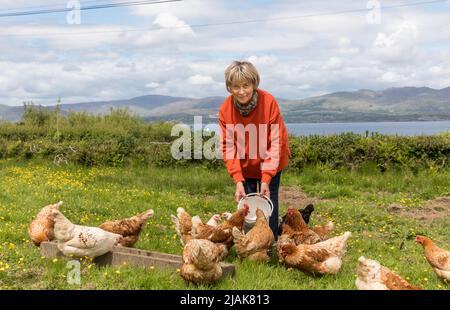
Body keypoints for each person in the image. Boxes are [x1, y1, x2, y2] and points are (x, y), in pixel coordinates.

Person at [218, 60, 291, 240]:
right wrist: (237, 180)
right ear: (229, 87)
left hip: (272, 161)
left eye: (246, 85)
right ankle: (250, 243)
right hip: (245, 163)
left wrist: (266, 178)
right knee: (248, 204)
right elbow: (229, 147)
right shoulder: (225, 109)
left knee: (269, 199)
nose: (241, 91)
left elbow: (275, 143)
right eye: (236, 86)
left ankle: (271, 242)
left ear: (254, 84)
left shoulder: (269, 102)